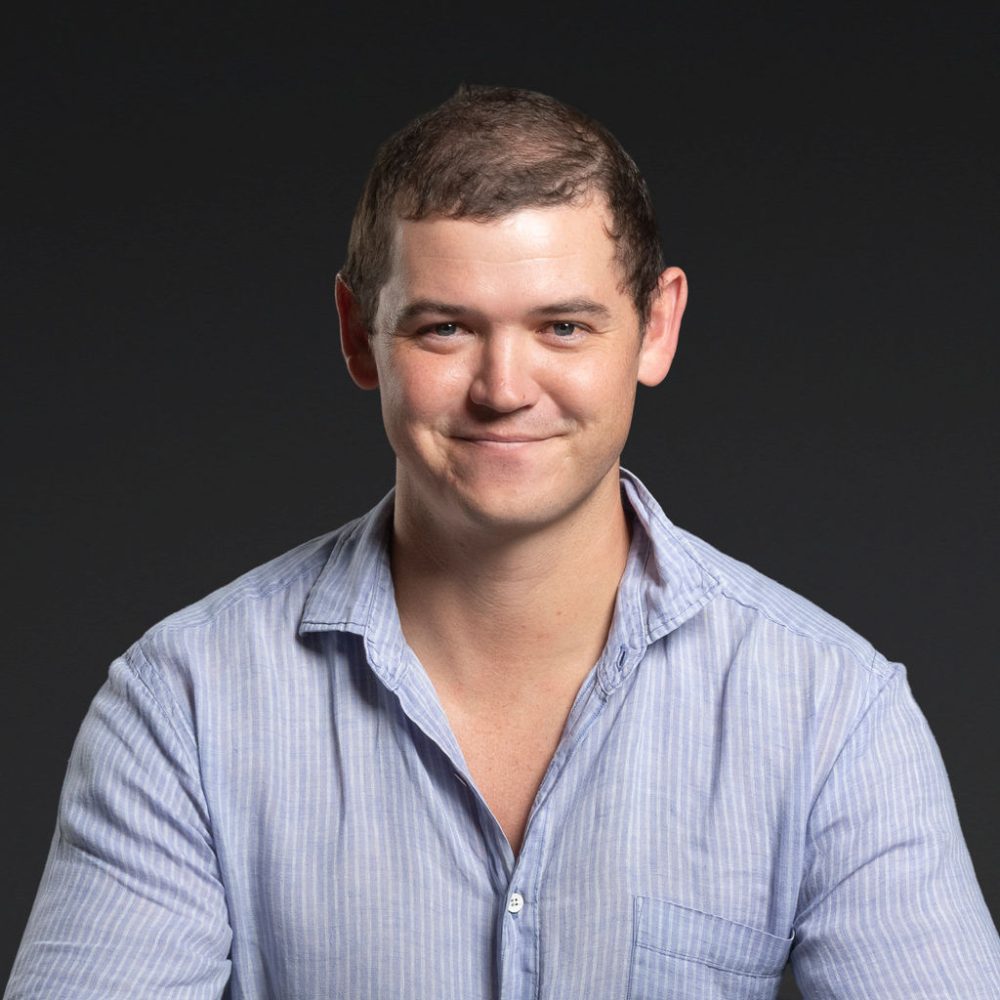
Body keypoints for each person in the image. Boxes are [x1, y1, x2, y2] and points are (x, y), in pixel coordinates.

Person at [6, 85, 999, 1000]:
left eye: (563, 327)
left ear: (656, 328)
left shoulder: (831, 713)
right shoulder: (183, 706)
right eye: (445, 329)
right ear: (357, 334)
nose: (504, 389)